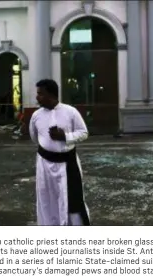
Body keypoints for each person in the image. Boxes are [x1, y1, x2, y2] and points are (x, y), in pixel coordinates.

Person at [29, 79, 90, 226]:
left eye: (40, 94)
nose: (37, 97)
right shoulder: (36, 115)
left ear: (51, 94)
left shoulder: (70, 112)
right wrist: (49, 147)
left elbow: (84, 133)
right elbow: (34, 137)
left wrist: (65, 137)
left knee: (71, 198)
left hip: (67, 163)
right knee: (47, 197)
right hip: (45, 164)